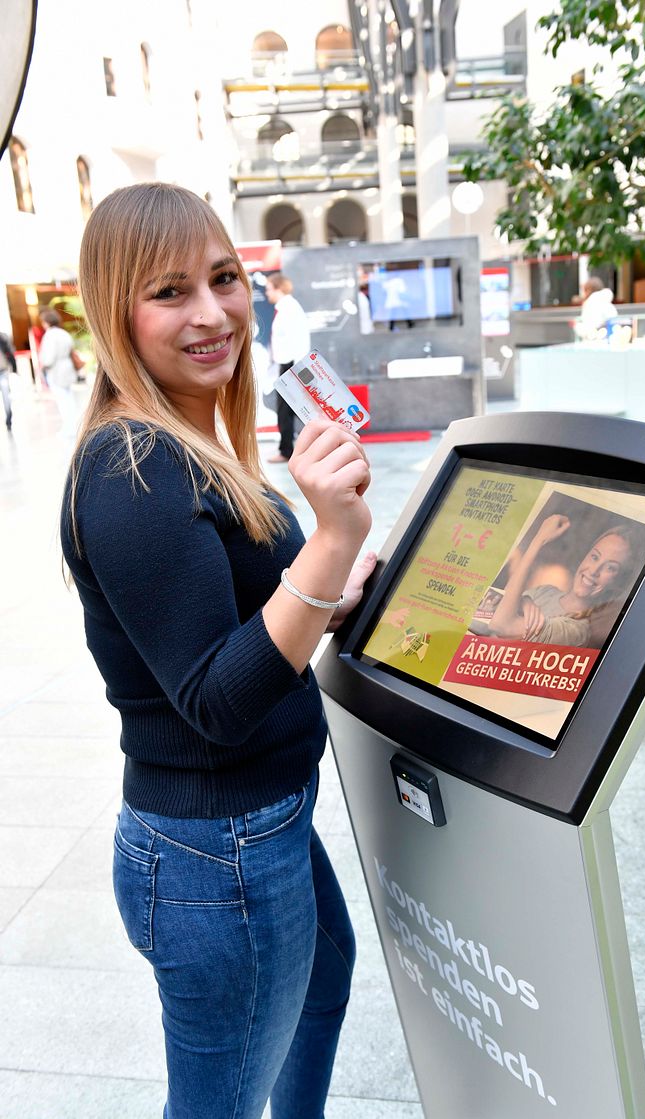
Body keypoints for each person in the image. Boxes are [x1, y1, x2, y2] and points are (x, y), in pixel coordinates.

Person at [60, 182, 377, 1119]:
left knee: (323, 984)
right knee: (218, 1102)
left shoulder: (192, 438)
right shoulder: (133, 469)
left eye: (225, 278)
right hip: (215, 851)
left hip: (258, 824)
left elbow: (239, 619)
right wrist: (332, 540)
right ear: (116, 310)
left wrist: (333, 588)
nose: (211, 313)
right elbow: (213, 698)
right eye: (169, 291)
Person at [479, 514, 639, 648]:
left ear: (617, 583)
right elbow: (494, 604)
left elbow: (500, 624)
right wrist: (524, 601)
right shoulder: (545, 591)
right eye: (595, 557)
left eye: (610, 568)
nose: (593, 571)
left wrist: (539, 540)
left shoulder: (578, 630)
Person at [265, 271, 310, 463]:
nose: (266, 293)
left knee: (288, 409)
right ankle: (288, 449)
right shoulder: (285, 308)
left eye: (268, 289)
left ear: (278, 288)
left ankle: (286, 451)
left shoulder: (290, 308)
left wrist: (298, 370)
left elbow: (298, 339)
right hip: (289, 364)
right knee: (290, 409)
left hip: (293, 365)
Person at [39, 308, 78, 438]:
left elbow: (49, 358)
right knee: (69, 398)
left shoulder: (50, 335)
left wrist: (43, 366)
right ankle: (74, 425)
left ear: (47, 321)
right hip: (67, 367)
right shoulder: (63, 333)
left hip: (56, 370)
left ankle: (69, 428)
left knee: (62, 400)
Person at [0, 330, 17, 430]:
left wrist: (14, 368)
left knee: (6, 397)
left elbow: (10, 353)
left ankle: (9, 418)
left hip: (3, 371)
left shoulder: (2, 337)